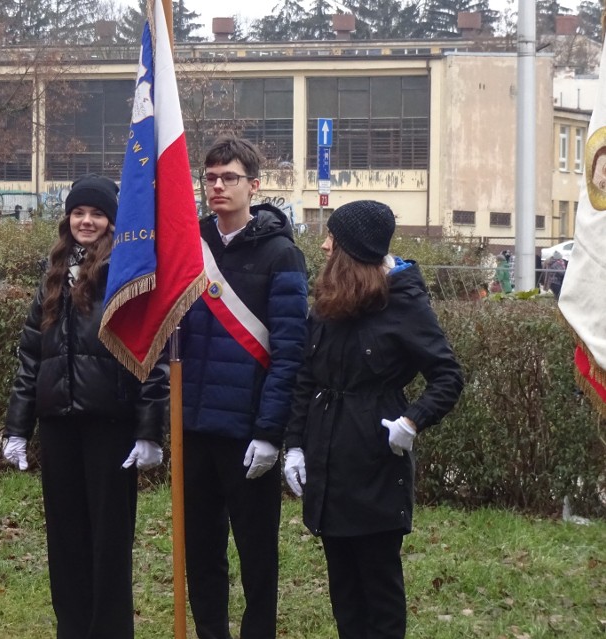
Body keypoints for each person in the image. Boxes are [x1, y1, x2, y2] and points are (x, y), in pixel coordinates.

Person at [282, 200, 463, 639]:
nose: (323, 246)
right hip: (328, 463)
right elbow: (307, 376)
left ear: (354, 251)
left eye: (333, 239)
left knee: (379, 589)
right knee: (343, 589)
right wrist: (295, 445)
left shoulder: (403, 302)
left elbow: (447, 376)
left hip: (377, 465)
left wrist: (412, 421)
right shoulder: (326, 302)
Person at [2, 174, 169, 639]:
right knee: (66, 541)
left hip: (109, 428)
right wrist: (17, 427)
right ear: (68, 218)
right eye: (79, 212)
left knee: (109, 545)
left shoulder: (126, 273)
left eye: (97, 214)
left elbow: (150, 356)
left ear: (112, 222)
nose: (87, 221)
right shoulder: (53, 272)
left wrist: (149, 430)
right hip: (59, 426)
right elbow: (32, 356)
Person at [180, 136, 308, 639]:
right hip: (194, 426)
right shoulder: (189, 245)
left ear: (253, 186)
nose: (217, 186)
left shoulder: (281, 255)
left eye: (228, 177)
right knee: (201, 551)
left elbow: (290, 353)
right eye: (209, 177)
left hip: (247, 431)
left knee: (257, 554)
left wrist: (270, 432)